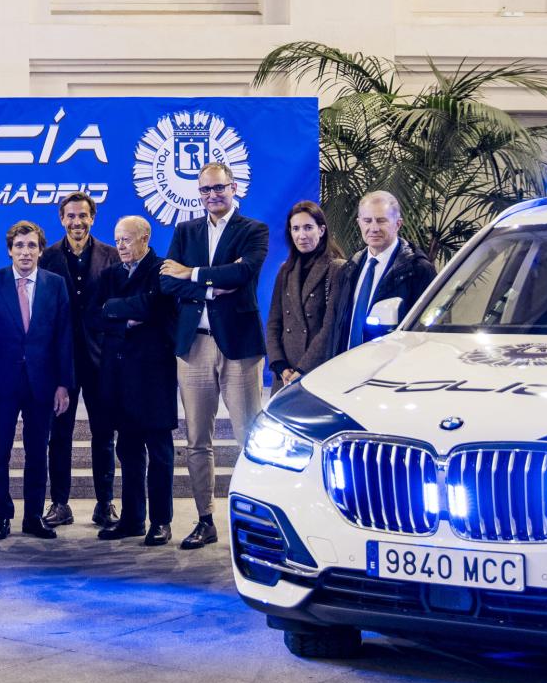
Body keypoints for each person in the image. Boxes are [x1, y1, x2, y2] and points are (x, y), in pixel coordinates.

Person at [159, 163, 270, 550]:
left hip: (239, 346)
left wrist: (191, 274)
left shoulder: (254, 230)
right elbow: (165, 281)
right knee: (196, 441)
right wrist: (210, 282)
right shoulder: (185, 230)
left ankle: (256, 522)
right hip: (194, 346)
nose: (212, 196)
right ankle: (205, 519)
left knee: (249, 439)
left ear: (233, 186)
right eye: (204, 190)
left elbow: (242, 277)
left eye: (218, 188)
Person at [0, 221, 74, 541]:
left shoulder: (55, 284)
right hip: (0, 384)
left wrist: (63, 384)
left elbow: (64, 336)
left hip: (42, 384)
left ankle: (33, 517)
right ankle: (1, 516)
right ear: (10, 250)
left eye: (31, 246)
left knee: (37, 452)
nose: (25, 252)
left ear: (41, 250)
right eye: (19, 246)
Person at [89, 216, 179, 545]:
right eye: (117, 240)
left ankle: (161, 521)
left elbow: (153, 307)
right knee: (127, 450)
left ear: (145, 238)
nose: (121, 246)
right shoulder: (111, 273)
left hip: (153, 376)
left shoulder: (162, 269)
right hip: (119, 377)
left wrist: (114, 308)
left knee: (159, 452)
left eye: (126, 239)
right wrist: (122, 320)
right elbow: (93, 315)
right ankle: (132, 519)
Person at [37, 191, 120, 529]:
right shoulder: (47, 257)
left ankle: (105, 504)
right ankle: (60, 504)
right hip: (62, 361)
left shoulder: (112, 255)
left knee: (104, 434)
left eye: (82, 216)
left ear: (92, 218)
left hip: (100, 360)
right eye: (70, 216)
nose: (77, 222)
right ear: (61, 219)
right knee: (59, 434)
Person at [326, 190, 437, 359]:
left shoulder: (419, 270)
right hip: (346, 369)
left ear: (398, 224)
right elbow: (336, 329)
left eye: (381, 220)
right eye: (367, 221)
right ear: (359, 223)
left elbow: (428, 333)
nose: (374, 228)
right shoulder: (349, 269)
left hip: (389, 373)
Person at [265, 200, 346, 388]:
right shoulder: (286, 270)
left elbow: (330, 327)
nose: (302, 235)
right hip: (285, 374)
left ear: (322, 230)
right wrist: (280, 366)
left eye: (308, 227)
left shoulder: (337, 268)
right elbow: (274, 323)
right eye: (296, 229)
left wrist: (302, 370)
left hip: (318, 369)